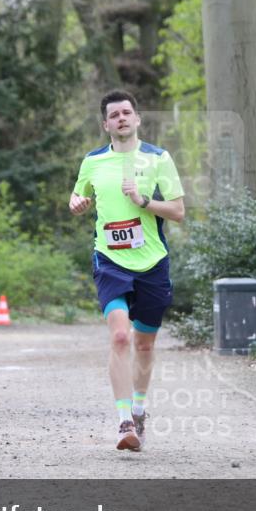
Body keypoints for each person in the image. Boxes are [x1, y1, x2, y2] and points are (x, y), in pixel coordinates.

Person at [69, 89, 185, 452]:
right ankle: (124, 423)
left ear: (137, 119)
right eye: (114, 115)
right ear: (105, 125)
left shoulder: (158, 158)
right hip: (110, 260)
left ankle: (138, 409)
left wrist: (143, 201)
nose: (121, 118)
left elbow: (178, 211)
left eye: (126, 113)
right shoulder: (92, 162)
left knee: (144, 343)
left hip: (152, 262)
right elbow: (77, 196)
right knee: (120, 336)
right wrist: (76, 203)